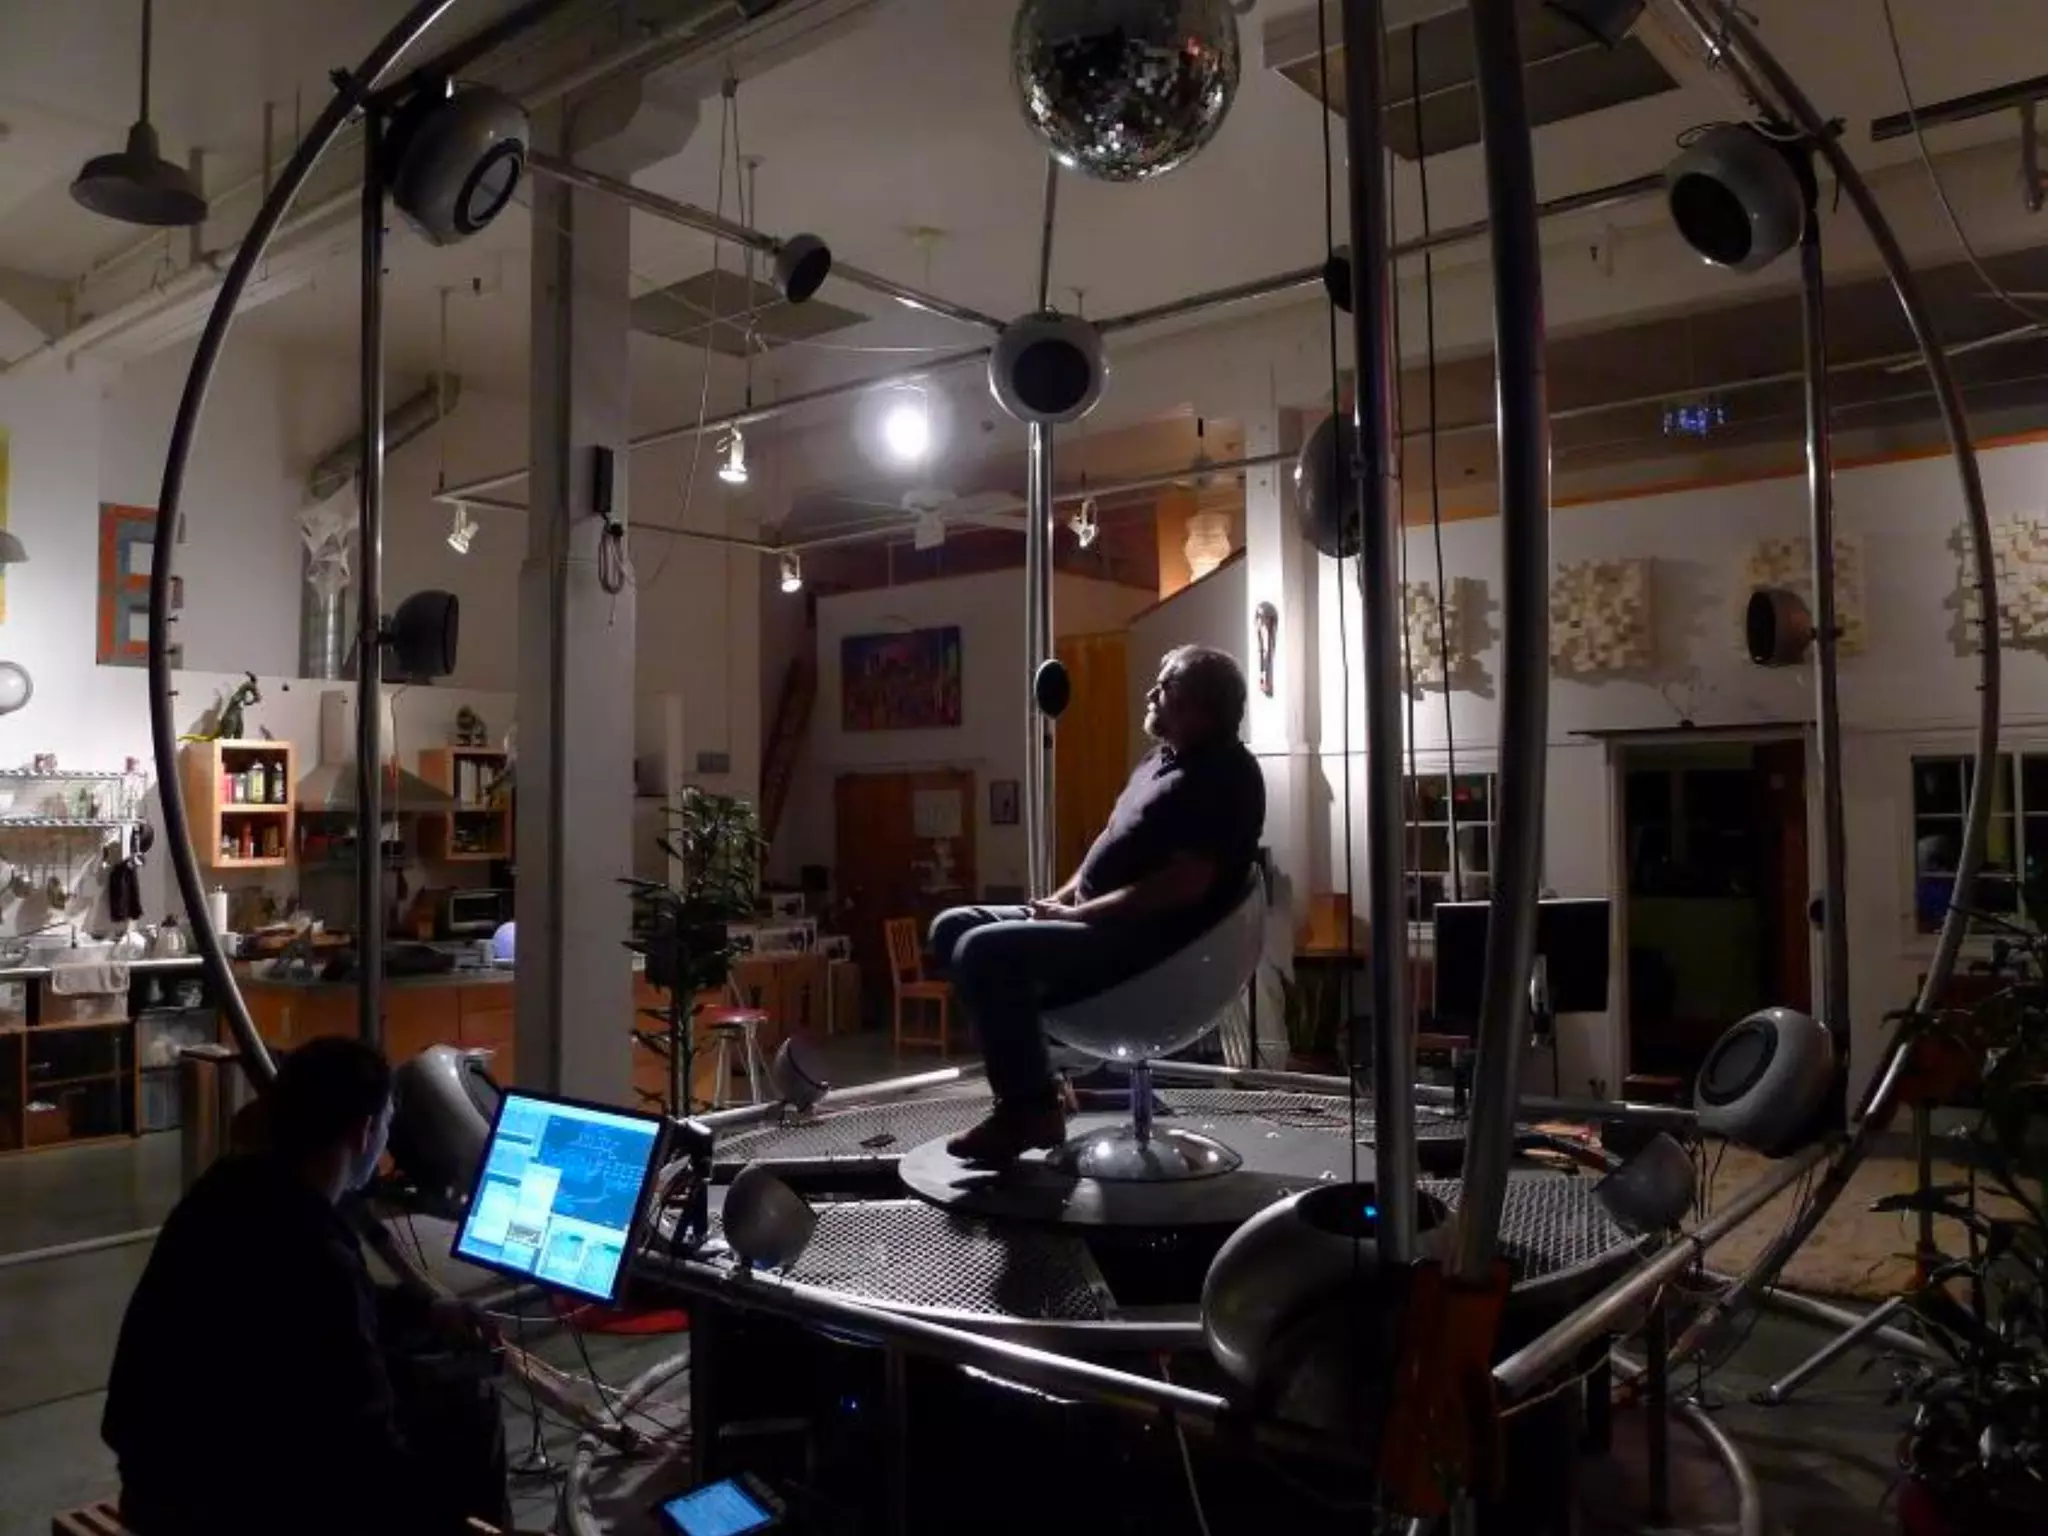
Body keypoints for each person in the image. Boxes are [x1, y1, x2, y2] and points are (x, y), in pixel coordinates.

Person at [103, 1036, 510, 1536]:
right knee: (470, 1413)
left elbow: (311, 1322)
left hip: (155, 1484)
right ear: (364, 1132)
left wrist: (426, 1311)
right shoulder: (316, 1248)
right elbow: (367, 1455)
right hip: (227, 1509)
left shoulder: (224, 1190)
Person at [929, 644, 1266, 1164]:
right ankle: (1041, 1091)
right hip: (1097, 923)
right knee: (952, 927)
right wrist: (1059, 900)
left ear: (1200, 705)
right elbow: (1105, 849)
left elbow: (1183, 884)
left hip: (1147, 948)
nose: (1151, 694)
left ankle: (1027, 1111)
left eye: (1164, 687)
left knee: (982, 952)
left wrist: (1079, 914)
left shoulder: (1225, 776)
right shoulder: (1159, 760)